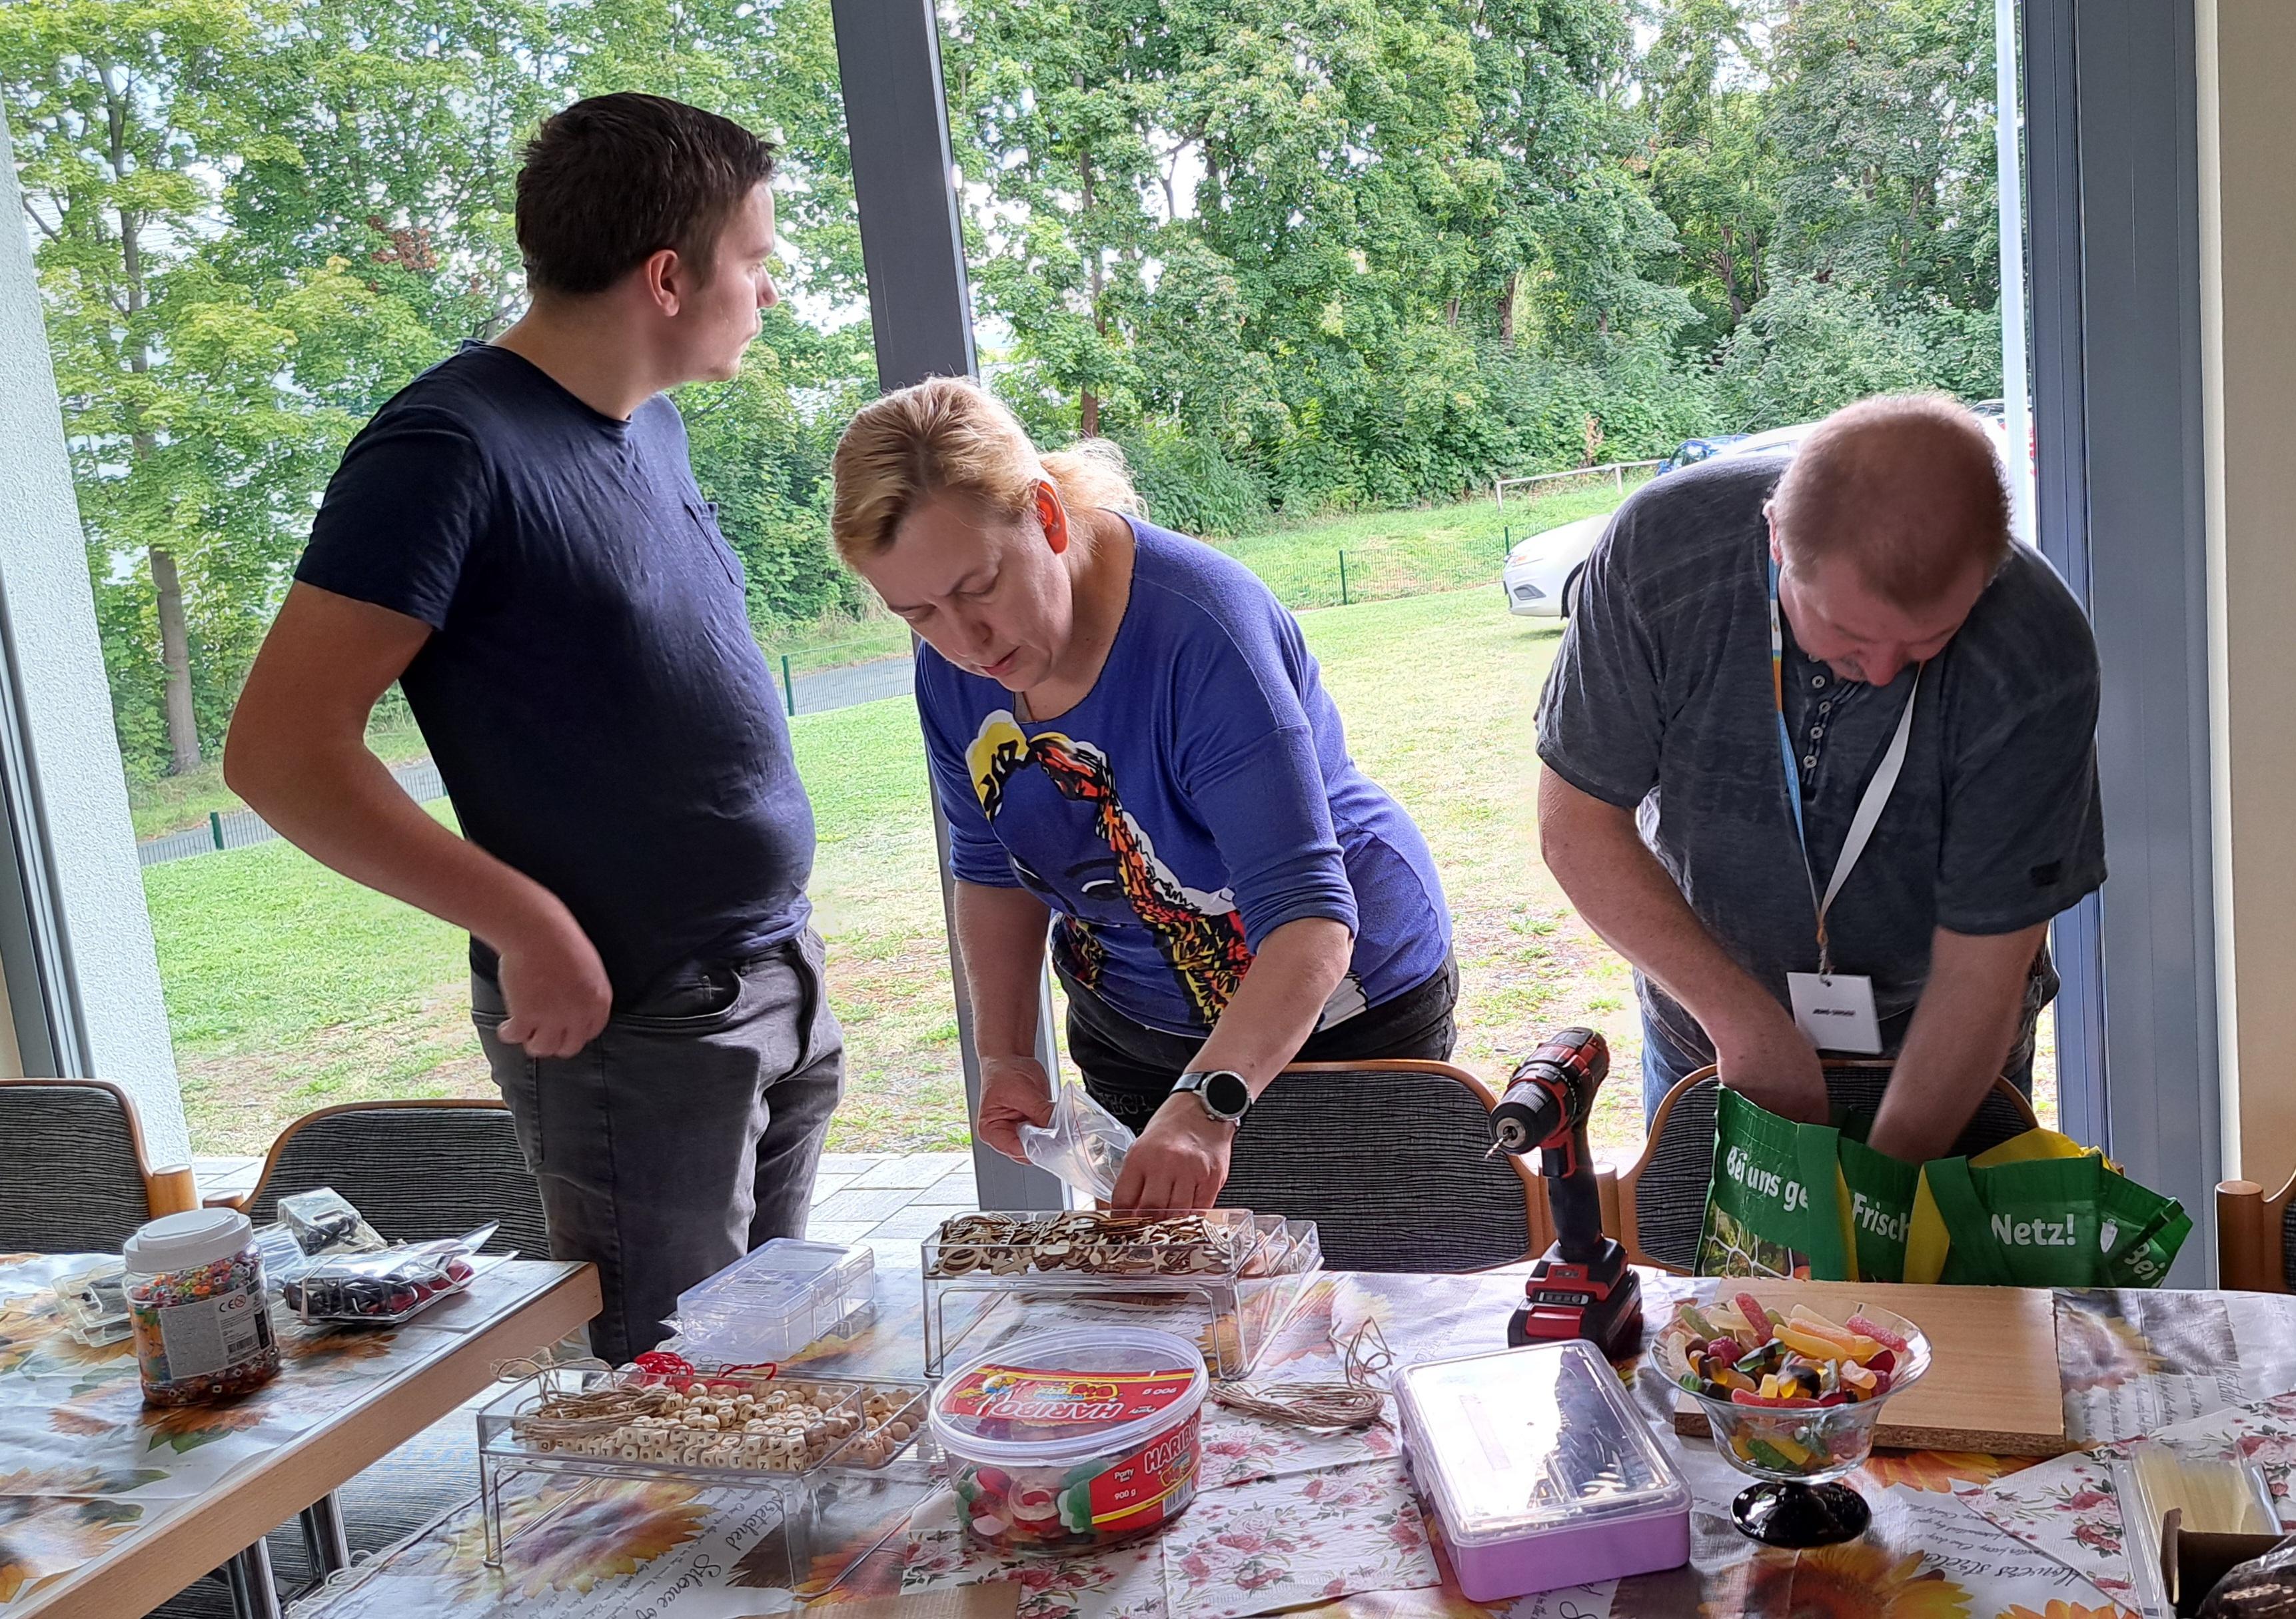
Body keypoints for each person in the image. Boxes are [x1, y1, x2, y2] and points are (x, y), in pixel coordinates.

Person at [225, 93, 840, 1364]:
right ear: (668, 277)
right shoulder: (441, 448)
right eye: (756, 260)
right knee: (669, 1403)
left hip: (772, 973)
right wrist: (524, 923)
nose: (768, 291)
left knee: (768, 1375)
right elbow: (281, 754)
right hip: (635, 1021)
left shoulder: (650, 424)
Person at [827, 378, 1455, 1211]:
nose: (964, 641)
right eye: (918, 613)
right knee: (1165, 1285)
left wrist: (1206, 1103)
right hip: (1129, 1023)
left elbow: (1308, 919)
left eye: (979, 588)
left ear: (1046, 517)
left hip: (1340, 1015)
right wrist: (1006, 1054)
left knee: (1355, 1280)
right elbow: (989, 869)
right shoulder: (950, 669)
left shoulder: (1203, 632)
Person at [1536, 394, 2104, 1165]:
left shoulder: (2034, 650)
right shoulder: (1662, 554)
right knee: (1711, 1247)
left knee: (1921, 1241)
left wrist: (1881, 1197)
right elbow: (1576, 828)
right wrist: (1740, 1023)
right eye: (1846, 632)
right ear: (1775, 537)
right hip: (1708, 1024)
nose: (1883, 671)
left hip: (1943, 1045)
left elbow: (1982, 970)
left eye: (1928, 639)